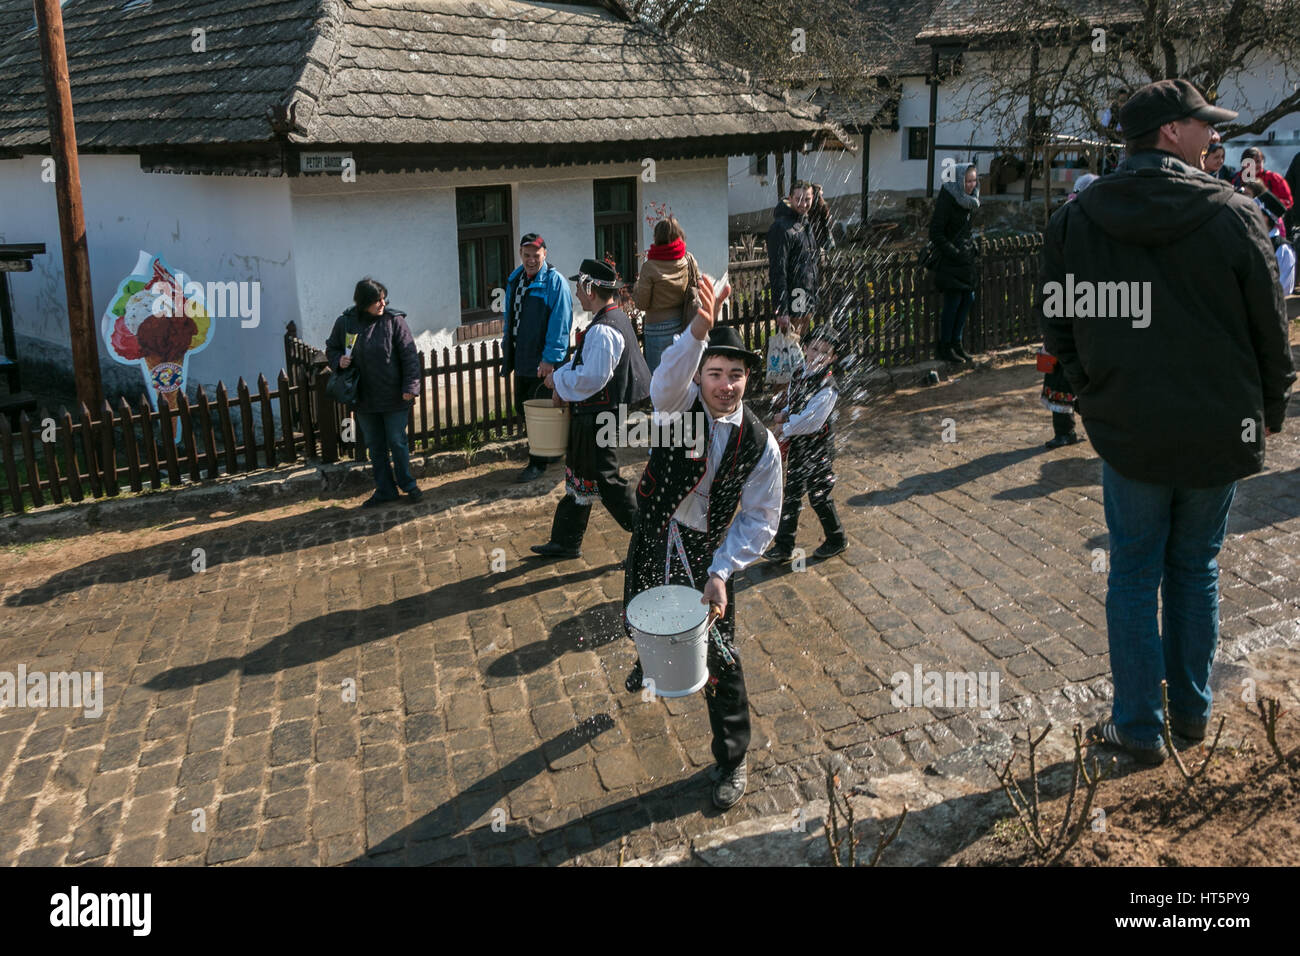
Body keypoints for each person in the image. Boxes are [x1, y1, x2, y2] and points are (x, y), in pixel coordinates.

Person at [1042, 78, 1295, 765]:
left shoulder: (1077, 217)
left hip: (1128, 430)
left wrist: (1088, 389)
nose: (1215, 134)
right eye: (1202, 123)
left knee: (1133, 572)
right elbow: (1272, 331)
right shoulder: (1236, 214)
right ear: (1167, 133)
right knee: (1194, 568)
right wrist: (1270, 409)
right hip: (1219, 427)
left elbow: (1056, 324)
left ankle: (1140, 727)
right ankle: (1189, 714)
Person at [622, 275, 783, 810]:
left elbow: (760, 519)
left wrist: (722, 571)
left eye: (735, 374)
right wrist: (698, 327)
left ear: (747, 379)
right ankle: (649, 658)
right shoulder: (676, 402)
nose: (725, 385)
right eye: (715, 372)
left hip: (706, 550)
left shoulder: (760, 444)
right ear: (701, 375)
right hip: (654, 530)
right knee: (637, 610)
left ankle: (733, 758)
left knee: (720, 656)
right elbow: (667, 374)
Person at [530, 259, 651, 559]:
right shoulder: (609, 319)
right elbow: (584, 366)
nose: (577, 294)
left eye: (579, 288)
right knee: (580, 474)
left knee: (605, 479)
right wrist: (559, 378)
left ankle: (649, 539)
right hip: (595, 414)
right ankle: (566, 540)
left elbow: (592, 378)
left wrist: (557, 379)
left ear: (589, 289)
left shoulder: (604, 330)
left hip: (600, 416)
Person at [325, 278, 422, 507]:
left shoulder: (394, 321)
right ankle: (385, 489)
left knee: (397, 443)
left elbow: (410, 357)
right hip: (364, 398)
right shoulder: (346, 322)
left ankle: (408, 485)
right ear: (363, 302)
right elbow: (332, 347)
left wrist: (411, 387)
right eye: (376, 300)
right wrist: (338, 360)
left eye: (383, 298)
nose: (382, 303)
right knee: (375, 446)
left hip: (395, 397)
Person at [764, 323, 847, 562]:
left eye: (824, 352)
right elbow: (794, 400)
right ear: (805, 348)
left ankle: (837, 538)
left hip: (818, 448)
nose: (817, 356)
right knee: (791, 494)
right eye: (813, 349)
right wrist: (785, 412)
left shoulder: (828, 388)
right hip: (800, 447)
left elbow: (812, 421)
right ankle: (783, 546)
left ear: (832, 358)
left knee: (819, 495)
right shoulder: (800, 372)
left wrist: (785, 427)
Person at [501, 233, 574, 484]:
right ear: (520, 254)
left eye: (536, 255)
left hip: (543, 361)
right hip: (522, 358)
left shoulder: (556, 283)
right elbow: (510, 319)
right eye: (526, 255)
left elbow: (560, 324)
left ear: (545, 254)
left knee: (543, 410)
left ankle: (538, 463)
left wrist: (550, 360)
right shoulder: (515, 279)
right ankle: (548, 452)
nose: (531, 260)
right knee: (524, 406)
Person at [929, 162, 980, 364]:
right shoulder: (948, 198)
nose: (971, 185)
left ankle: (957, 343)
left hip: (964, 260)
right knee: (954, 301)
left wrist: (972, 246)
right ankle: (945, 346)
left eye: (974, 180)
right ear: (959, 180)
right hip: (950, 261)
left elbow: (966, 230)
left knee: (968, 298)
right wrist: (954, 252)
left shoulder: (969, 201)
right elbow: (935, 232)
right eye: (968, 181)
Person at [633, 217, 696, 373]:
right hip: (683, 324)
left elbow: (641, 303)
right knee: (680, 377)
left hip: (656, 329)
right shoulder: (688, 260)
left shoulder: (650, 266)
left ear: (656, 237)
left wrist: (636, 287)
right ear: (678, 235)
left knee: (659, 380)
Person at [767, 180, 818, 336]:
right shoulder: (782, 227)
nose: (803, 204)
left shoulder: (804, 224)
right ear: (790, 198)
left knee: (801, 346)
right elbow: (778, 269)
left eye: (807, 199)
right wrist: (782, 309)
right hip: (795, 294)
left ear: (813, 198)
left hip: (806, 293)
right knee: (791, 344)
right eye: (799, 199)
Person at [1232, 147, 1293, 233]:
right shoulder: (1236, 179)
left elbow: (1288, 202)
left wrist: (1268, 207)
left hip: (1270, 226)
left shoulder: (1274, 178)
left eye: (1258, 161)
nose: (1255, 165)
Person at [809, 183, 836, 256]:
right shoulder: (822, 204)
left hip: (814, 230)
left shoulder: (809, 204)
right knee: (822, 251)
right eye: (821, 190)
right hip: (821, 230)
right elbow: (826, 220)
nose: (822, 192)